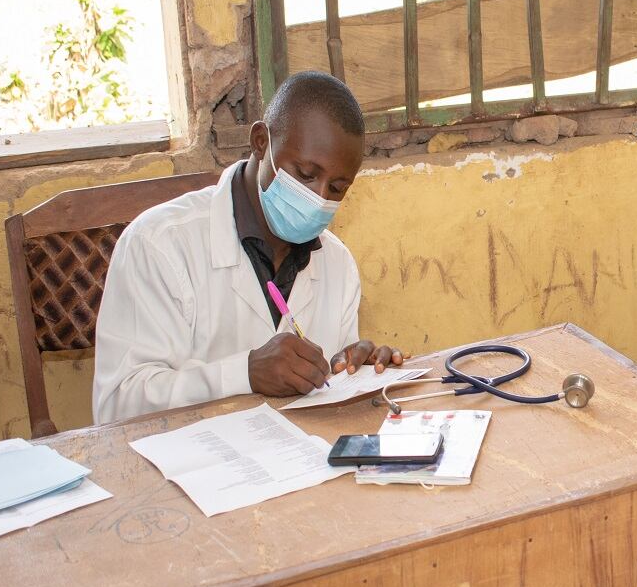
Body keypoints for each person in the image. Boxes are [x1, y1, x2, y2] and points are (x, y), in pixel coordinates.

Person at [93, 71, 404, 424]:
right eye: (305, 174)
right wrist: (245, 374)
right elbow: (117, 405)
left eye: (337, 188)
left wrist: (356, 370)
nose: (318, 199)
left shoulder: (337, 263)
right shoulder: (159, 245)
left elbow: (327, 388)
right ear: (261, 142)